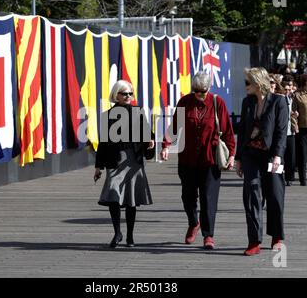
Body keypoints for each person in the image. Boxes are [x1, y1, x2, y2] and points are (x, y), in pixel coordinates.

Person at [160, 71, 235, 250]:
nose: (200, 94)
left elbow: (228, 131)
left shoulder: (218, 103)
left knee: (209, 199)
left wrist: (232, 155)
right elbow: (174, 126)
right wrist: (165, 145)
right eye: (196, 91)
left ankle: (208, 235)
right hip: (188, 159)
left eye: (203, 91)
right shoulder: (185, 102)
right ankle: (194, 222)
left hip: (210, 159)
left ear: (209, 88)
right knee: (188, 196)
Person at [94, 80, 155, 248]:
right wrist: (98, 167)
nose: (128, 96)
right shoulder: (107, 116)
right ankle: (117, 232)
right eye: (124, 93)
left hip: (133, 161)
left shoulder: (138, 113)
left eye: (130, 93)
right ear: (116, 96)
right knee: (113, 193)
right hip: (115, 160)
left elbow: (148, 136)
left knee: (131, 199)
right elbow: (103, 143)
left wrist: (150, 143)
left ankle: (130, 236)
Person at [235, 67, 288, 256]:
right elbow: (242, 131)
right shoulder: (247, 102)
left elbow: (282, 131)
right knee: (251, 195)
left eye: (248, 82)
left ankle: (276, 235)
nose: (246, 86)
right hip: (251, 154)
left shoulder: (279, 102)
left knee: (274, 194)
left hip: (271, 154)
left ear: (258, 83)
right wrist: (238, 158)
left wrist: (278, 156)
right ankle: (254, 240)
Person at [280, 76, 298, 186]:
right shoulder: (278, 99)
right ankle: (278, 176)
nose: (287, 91)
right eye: (285, 89)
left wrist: (294, 114)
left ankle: (290, 177)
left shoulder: (292, 99)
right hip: (280, 133)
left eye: (289, 89)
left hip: (290, 131)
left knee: (291, 156)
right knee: (279, 156)